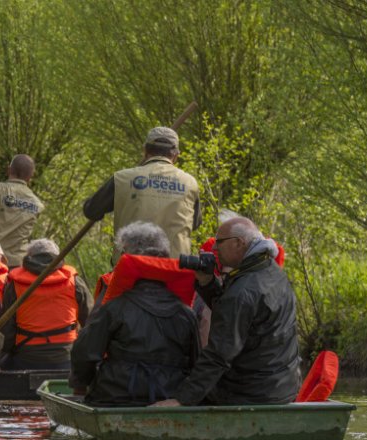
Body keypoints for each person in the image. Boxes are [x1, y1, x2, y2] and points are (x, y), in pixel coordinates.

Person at [153, 217, 301, 407]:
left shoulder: (244, 290)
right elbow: (237, 313)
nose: (214, 249)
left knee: (172, 383)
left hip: (252, 393)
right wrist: (207, 282)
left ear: (238, 243)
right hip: (283, 387)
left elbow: (219, 355)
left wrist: (181, 400)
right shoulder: (270, 271)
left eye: (219, 242)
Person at [70, 222, 200, 406]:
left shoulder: (114, 308)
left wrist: (81, 385)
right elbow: (197, 365)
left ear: (126, 257)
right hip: (168, 400)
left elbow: (83, 352)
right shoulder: (187, 314)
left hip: (115, 398)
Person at [83, 126, 201, 258]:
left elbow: (91, 210)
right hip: (175, 270)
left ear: (145, 151)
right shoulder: (190, 183)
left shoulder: (122, 178)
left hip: (131, 267)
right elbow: (194, 224)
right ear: (176, 155)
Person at [0, 238, 93, 370]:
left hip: (27, 357)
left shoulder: (14, 284)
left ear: (29, 257)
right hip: (66, 356)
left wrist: (7, 351)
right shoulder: (75, 282)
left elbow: (8, 330)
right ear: (58, 256)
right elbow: (91, 322)